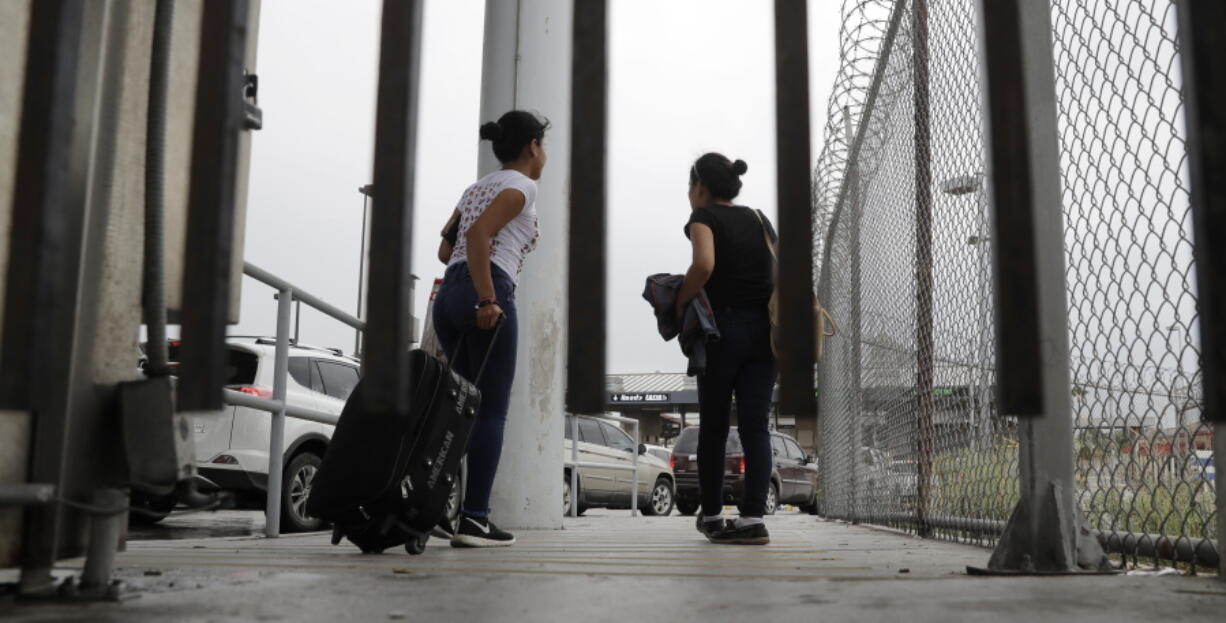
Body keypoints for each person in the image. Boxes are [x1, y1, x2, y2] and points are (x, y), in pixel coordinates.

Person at [431, 110, 549, 548]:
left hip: (450, 294)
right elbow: (481, 234)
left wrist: (468, 286)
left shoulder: (474, 188)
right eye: (544, 146)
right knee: (491, 409)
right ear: (533, 145)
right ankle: (474, 517)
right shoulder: (522, 186)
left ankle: (435, 502)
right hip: (488, 289)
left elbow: (447, 247)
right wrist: (486, 297)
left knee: (461, 407)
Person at [676, 153, 776, 545]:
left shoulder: (703, 217)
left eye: (690, 187)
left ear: (700, 187)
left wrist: (682, 300)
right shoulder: (759, 218)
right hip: (766, 334)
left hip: (724, 331)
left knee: (714, 426)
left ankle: (713, 514)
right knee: (756, 426)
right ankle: (753, 519)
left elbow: (703, 265)